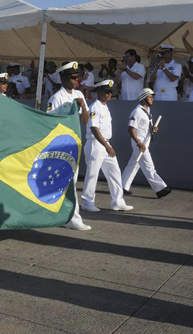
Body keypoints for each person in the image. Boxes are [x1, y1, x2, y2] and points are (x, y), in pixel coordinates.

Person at [47, 61, 92, 231]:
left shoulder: (79, 94)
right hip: (61, 145)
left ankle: (66, 216)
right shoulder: (56, 98)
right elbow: (49, 122)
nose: (76, 81)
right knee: (67, 183)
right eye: (73, 77)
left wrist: (83, 107)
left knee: (70, 182)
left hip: (74, 144)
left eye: (78, 77)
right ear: (64, 77)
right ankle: (72, 218)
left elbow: (85, 120)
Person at [81, 80, 133, 213]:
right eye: (107, 92)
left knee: (115, 172)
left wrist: (107, 145)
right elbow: (94, 128)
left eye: (111, 92)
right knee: (92, 174)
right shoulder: (94, 107)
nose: (110, 94)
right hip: (96, 144)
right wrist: (106, 145)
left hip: (105, 143)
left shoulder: (105, 107)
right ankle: (87, 202)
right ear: (99, 92)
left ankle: (117, 201)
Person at [120, 88, 171, 199]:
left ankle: (122, 186)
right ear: (143, 98)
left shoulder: (147, 111)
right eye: (150, 97)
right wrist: (139, 143)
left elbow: (146, 127)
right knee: (149, 167)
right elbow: (130, 128)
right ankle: (160, 188)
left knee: (133, 164)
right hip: (139, 144)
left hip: (144, 143)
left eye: (153, 97)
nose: (152, 99)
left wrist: (153, 128)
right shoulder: (137, 111)